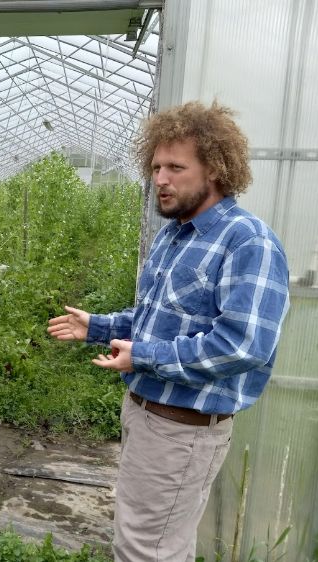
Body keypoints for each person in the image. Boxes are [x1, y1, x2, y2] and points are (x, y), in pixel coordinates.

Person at [47, 101, 290, 562]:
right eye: (156, 166)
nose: (160, 178)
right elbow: (155, 320)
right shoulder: (175, 236)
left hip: (182, 429)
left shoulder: (247, 242)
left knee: (144, 550)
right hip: (145, 414)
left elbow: (242, 345)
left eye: (176, 167)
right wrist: (98, 327)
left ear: (216, 170)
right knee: (157, 543)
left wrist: (143, 357)